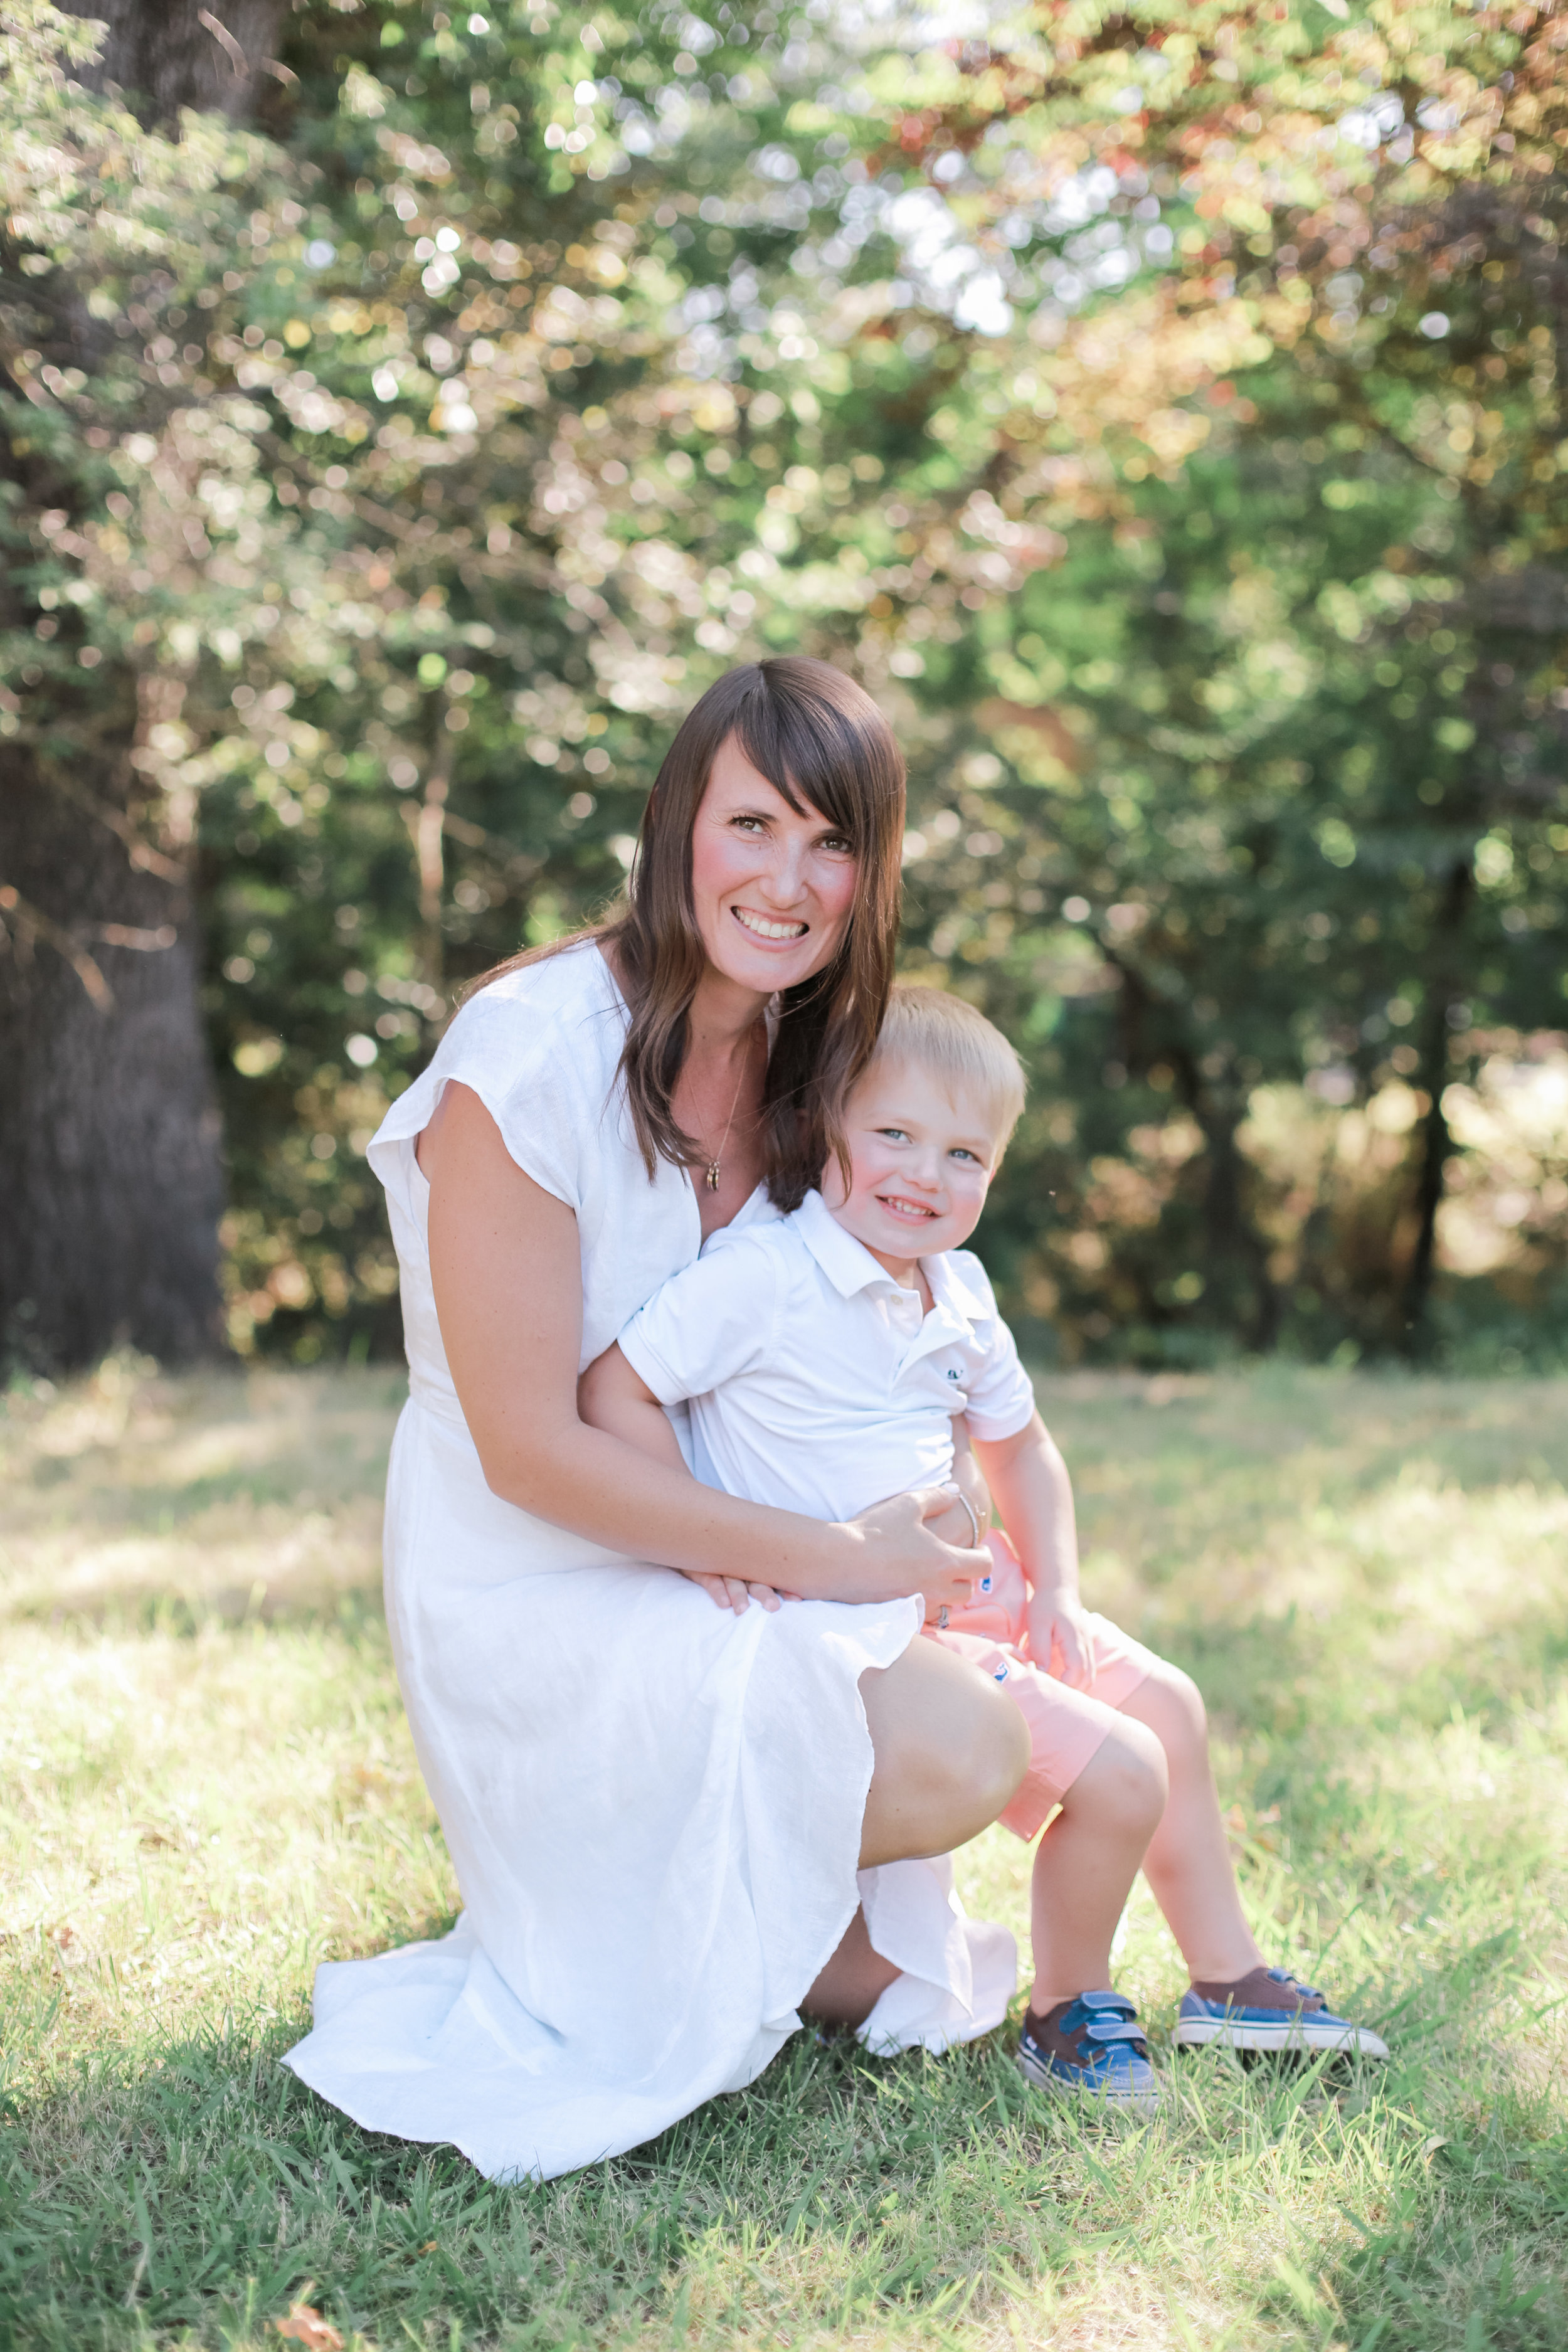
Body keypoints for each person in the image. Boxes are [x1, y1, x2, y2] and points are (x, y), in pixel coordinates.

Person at [282, 659, 1034, 2185]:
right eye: (752, 823)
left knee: (1008, 1709)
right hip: (536, 1569)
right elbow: (526, 1445)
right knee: (959, 1748)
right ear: (676, 821)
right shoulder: (525, 1054)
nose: (788, 878)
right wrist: (829, 1557)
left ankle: (762, 1926)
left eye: (834, 844)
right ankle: (680, 1933)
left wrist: (939, 1524)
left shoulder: (812, 1048)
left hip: (724, 1535)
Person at [580, 986, 1390, 2112]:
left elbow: (1023, 1445)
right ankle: (1070, 2010)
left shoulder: (956, 1289)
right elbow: (614, 1385)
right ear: (829, 1131)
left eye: (965, 1153)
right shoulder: (767, 1279)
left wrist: (1056, 1583)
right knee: (1121, 1772)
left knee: (1171, 1706)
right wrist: (692, 1536)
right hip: (879, 1624)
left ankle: (1228, 1980)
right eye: (895, 1136)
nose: (926, 1173)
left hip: (984, 1595)